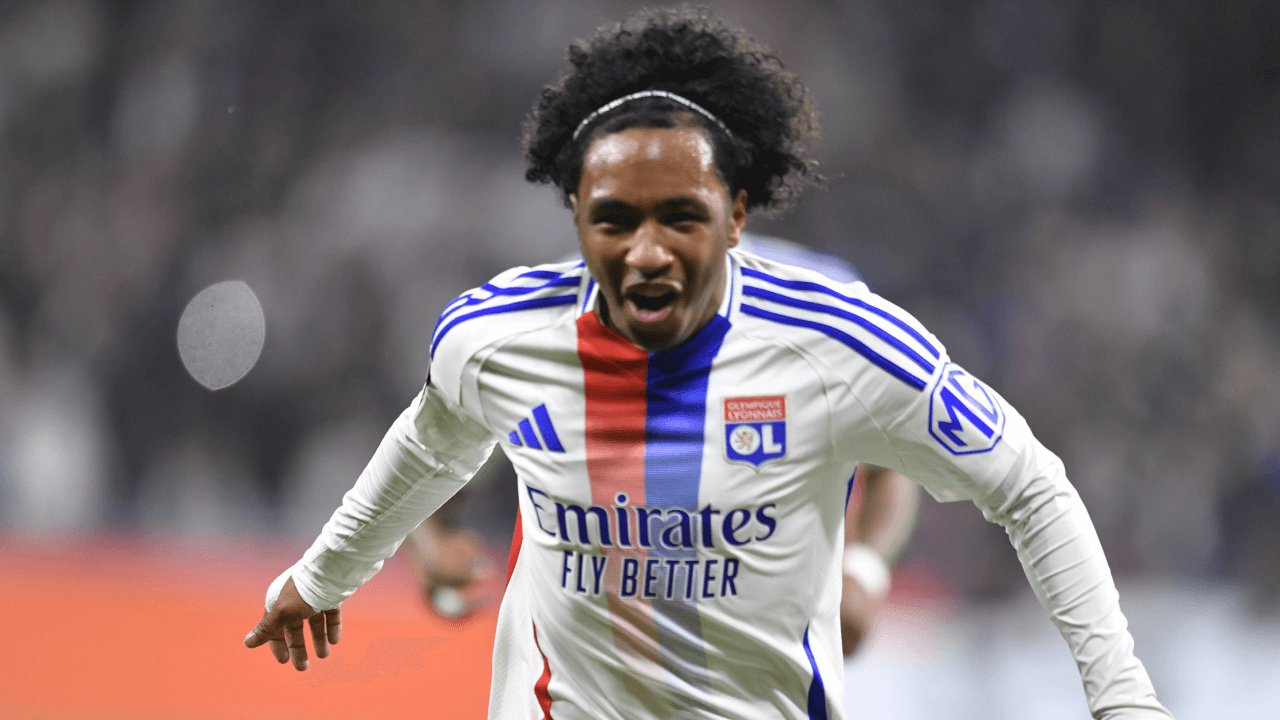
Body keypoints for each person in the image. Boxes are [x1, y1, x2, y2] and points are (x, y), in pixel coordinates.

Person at [244, 8, 1172, 719]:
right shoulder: (495, 336)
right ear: (575, 214)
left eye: (680, 217)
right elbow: (433, 441)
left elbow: (1029, 486)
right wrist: (322, 577)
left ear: (736, 215)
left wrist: (1122, 697)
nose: (647, 251)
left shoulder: (837, 341)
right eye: (615, 219)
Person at [404, 232, 919, 660]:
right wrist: (433, 540)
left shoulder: (819, 308)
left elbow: (891, 462)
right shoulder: (553, 317)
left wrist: (863, 571)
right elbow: (447, 446)